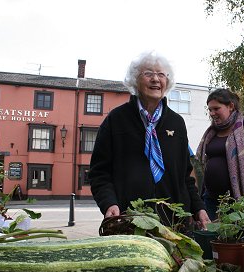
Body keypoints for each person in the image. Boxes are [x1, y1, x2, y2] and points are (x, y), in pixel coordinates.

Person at [89, 51, 210, 230]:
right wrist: (109, 203)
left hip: (174, 222)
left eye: (161, 74)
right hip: (130, 219)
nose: (155, 79)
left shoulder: (176, 123)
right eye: (148, 74)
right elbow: (100, 172)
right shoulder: (116, 120)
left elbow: (186, 176)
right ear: (135, 80)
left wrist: (198, 207)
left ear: (167, 82)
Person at [196, 88, 244, 220]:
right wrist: (200, 198)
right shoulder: (212, 132)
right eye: (210, 109)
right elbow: (206, 167)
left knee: (235, 239)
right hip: (211, 200)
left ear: (230, 106)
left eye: (216, 108)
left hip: (239, 201)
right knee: (212, 238)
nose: (212, 113)